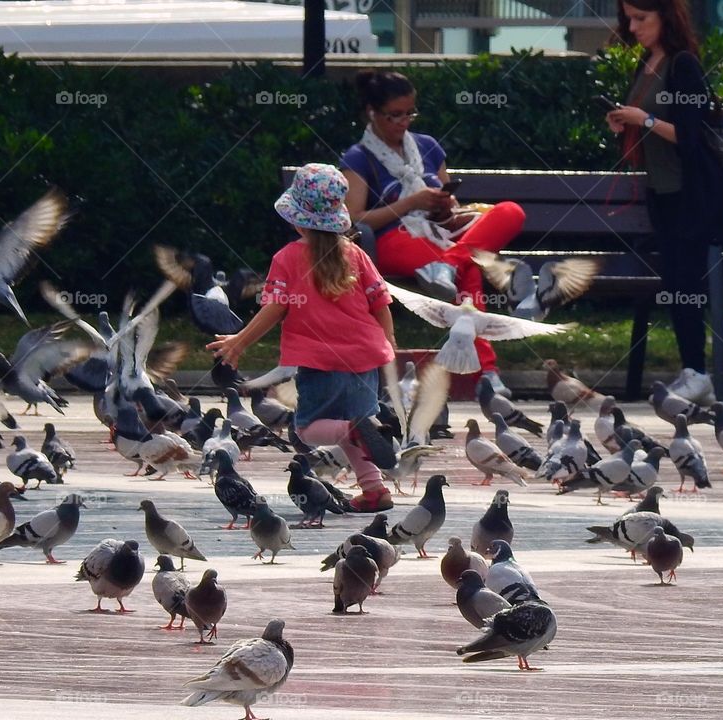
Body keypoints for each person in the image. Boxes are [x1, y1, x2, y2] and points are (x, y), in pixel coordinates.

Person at [207, 163, 398, 513]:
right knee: (355, 429)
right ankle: (375, 490)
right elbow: (381, 303)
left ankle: (357, 433)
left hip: (319, 361)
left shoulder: (288, 258)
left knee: (308, 431)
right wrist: (388, 347)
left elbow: (274, 309)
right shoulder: (356, 254)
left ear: (296, 218)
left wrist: (239, 342)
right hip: (365, 359)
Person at [340, 69, 526, 398]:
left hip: (440, 234)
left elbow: (446, 195)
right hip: (394, 238)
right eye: (394, 115)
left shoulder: (426, 146)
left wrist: (442, 205)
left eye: (409, 113)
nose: (403, 122)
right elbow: (354, 218)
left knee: (510, 212)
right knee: (471, 266)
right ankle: (487, 370)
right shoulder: (359, 157)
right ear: (372, 112)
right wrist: (411, 202)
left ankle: (449, 266)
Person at [605, 0, 723, 406]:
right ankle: (692, 372)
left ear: (665, 17)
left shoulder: (683, 65)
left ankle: (697, 372)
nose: (633, 25)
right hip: (662, 193)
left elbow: (690, 137)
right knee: (677, 283)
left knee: (686, 283)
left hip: (690, 194)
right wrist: (623, 119)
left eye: (642, 17)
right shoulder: (647, 61)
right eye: (629, 17)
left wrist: (642, 119)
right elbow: (647, 120)